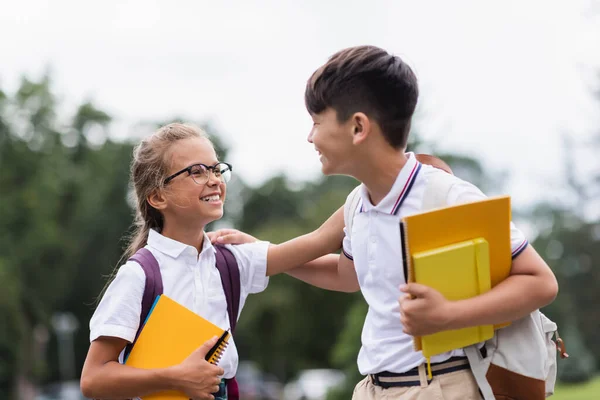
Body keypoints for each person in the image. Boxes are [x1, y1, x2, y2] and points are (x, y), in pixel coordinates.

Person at [211, 45, 559, 399]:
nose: (310, 136)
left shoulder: (447, 197)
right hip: (373, 388)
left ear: (358, 127)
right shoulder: (357, 206)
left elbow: (540, 282)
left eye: (317, 122)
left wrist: (448, 315)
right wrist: (264, 254)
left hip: (438, 385)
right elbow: (345, 276)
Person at [80, 123, 343, 400]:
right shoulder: (140, 275)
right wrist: (177, 377)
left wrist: (376, 182)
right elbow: (93, 379)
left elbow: (320, 242)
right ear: (158, 196)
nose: (215, 179)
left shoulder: (231, 259)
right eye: (197, 171)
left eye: (217, 169)